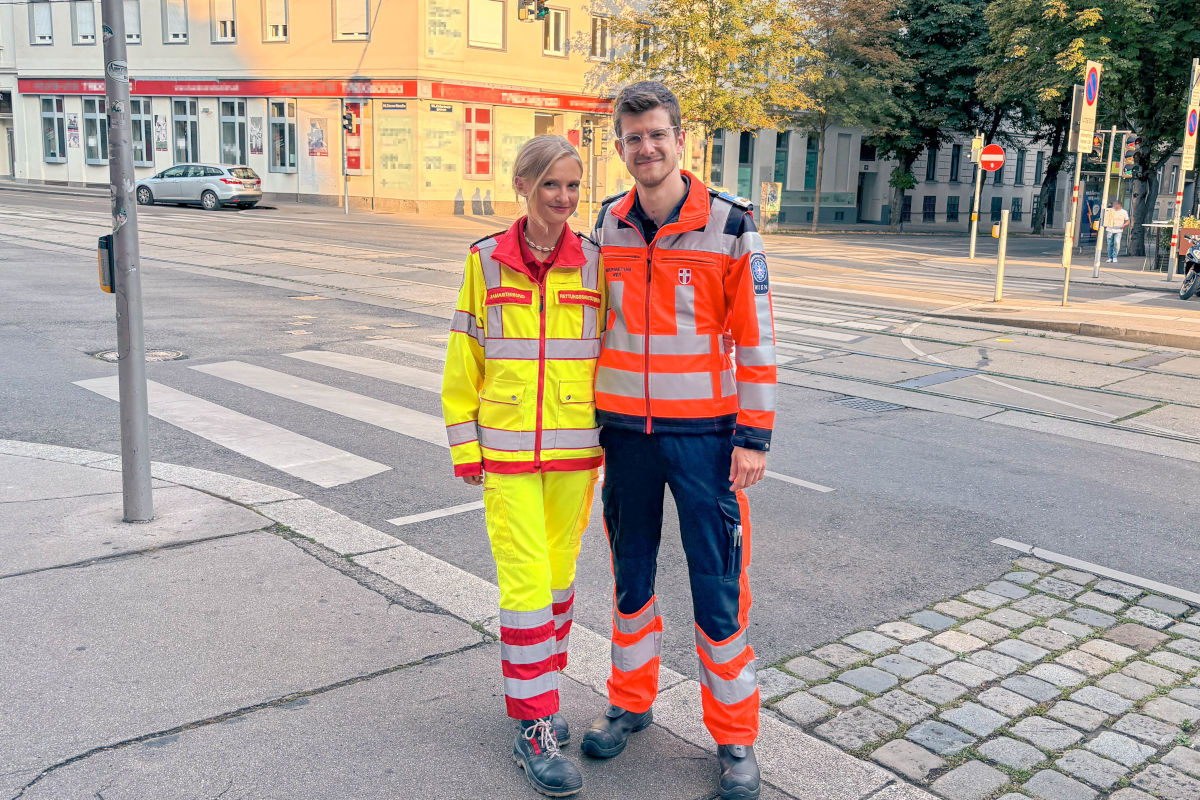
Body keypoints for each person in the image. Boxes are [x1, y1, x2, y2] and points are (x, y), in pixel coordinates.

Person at [581, 81, 776, 800]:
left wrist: (753, 436)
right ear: (621, 146)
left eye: (657, 134)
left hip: (708, 441)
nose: (646, 148)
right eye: (633, 138)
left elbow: (756, 337)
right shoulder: (607, 226)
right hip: (627, 437)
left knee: (719, 588)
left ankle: (734, 738)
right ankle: (629, 703)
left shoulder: (729, 225)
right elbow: (590, 330)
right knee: (631, 577)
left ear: (679, 139)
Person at [441, 135, 605, 798]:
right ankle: (535, 722)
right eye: (550, 186)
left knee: (559, 584)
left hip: (575, 456)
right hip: (507, 455)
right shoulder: (485, 261)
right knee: (527, 587)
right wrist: (465, 445)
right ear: (524, 186)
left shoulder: (595, 261)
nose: (563, 199)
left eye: (572, 186)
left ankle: (544, 692)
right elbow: (464, 355)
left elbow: (611, 355)